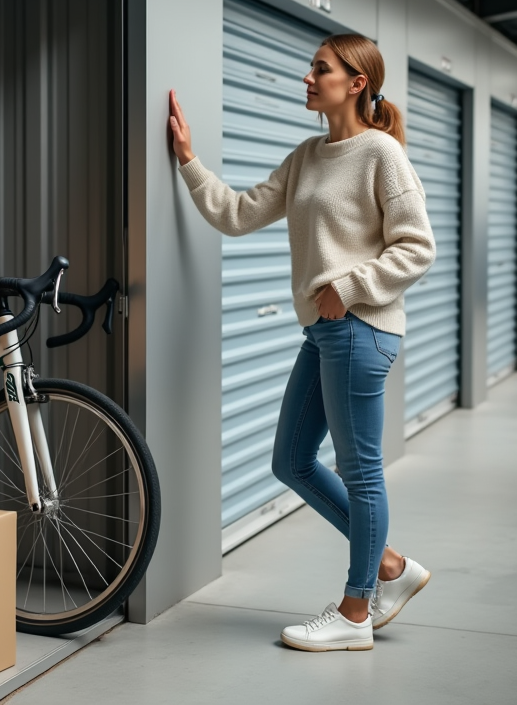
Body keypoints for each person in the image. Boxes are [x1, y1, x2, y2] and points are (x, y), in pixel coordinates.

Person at [168, 33, 438, 652]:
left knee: (360, 471)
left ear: (357, 82)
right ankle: (390, 568)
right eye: (312, 68)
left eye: (322, 69)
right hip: (324, 333)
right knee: (290, 460)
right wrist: (188, 159)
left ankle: (354, 612)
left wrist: (350, 285)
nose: (308, 78)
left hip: (359, 329)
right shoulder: (308, 155)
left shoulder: (380, 155)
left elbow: (417, 246)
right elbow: (238, 213)